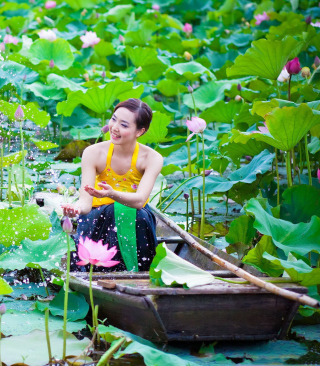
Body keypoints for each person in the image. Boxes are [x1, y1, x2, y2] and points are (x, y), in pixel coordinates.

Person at [61, 98, 163, 272]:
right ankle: (107, 272)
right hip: (98, 219)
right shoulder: (93, 153)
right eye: (114, 119)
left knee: (135, 214)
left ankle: (139, 272)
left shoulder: (151, 158)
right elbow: (86, 203)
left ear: (140, 131)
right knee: (114, 212)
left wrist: (111, 194)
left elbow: (139, 201)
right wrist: (75, 209)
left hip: (136, 217)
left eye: (124, 125)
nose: (114, 127)